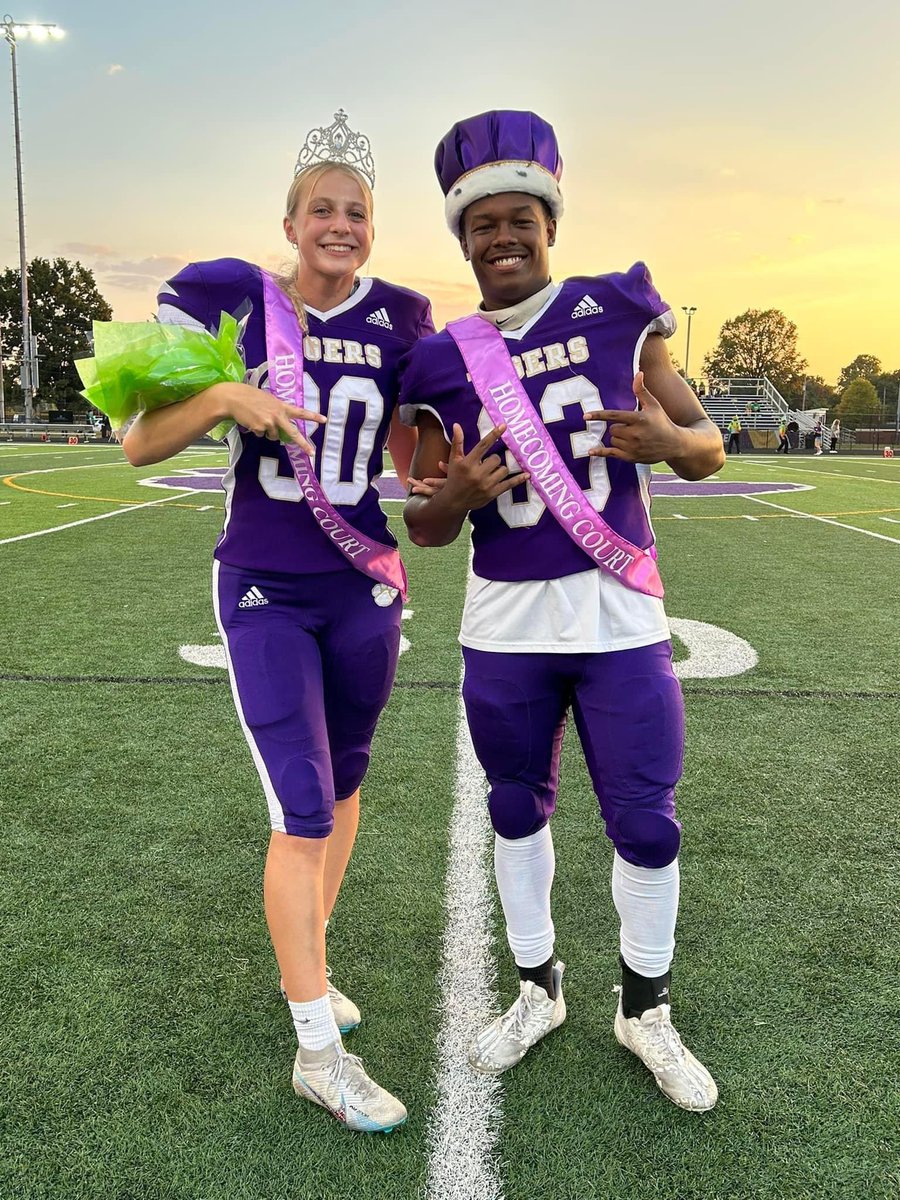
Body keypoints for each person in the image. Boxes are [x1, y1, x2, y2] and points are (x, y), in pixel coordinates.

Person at [401, 110, 723, 1111]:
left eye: (519, 220)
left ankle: (645, 1009)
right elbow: (425, 525)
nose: (502, 237)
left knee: (648, 823)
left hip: (619, 619)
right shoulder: (440, 360)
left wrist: (668, 444)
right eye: (482, 224)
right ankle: (538, 990)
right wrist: (456, 494)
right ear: (463, 238)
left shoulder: (616, 309)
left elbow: (708, 446)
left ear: (550, 223)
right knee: (513, 808)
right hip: (505, 626)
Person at [122, 115, 433, 1133]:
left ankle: (312, 968)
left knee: (344, 785)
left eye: (357, 213)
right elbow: (140, 445)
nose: (340, 225)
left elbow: (413, 462)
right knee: (302, 808)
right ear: (291, 223)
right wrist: (223, 394)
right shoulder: (236, 301)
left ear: (373, 230)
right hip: (265, 583)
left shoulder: (402, 318)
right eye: (322, 210)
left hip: (362, 585)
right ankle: (316, 1055)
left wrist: (460, 475)